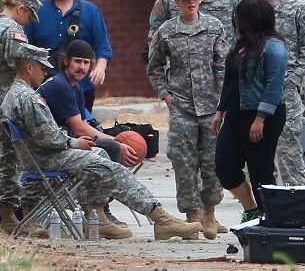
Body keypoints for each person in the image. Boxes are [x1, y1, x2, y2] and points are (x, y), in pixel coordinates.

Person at [1, 42, 203, 240]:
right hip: (46, 158)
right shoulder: (28, 98)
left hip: (36, 158)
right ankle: (160, 218)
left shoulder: (12, 95)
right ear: (29, 68)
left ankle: (96, 218)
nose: (45, 73)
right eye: (42, 68)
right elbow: (49, 138)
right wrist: (75, 143)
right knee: (110, 168)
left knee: (101, 154)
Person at [147, 0, 229, 240]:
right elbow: (155, 66)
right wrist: (165, 95)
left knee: (212, 162)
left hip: (210, 106)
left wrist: (223, 102)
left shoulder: (214, 27)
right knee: (183, 162)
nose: (191, 2)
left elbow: (223, 65)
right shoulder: (167, 31)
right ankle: (191, 215)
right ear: (177, 2)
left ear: (200, 0)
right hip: (181, 106)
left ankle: (209, 212)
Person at [37, 39, 136, 227]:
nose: (82, 67)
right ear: (66, 61)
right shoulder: (60, 85)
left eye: (86, 62)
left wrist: (115, 139)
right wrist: (117, 140)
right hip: (51, 148)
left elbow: (83, 123)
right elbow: (79, 129)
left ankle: (97, 209)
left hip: (65, 142)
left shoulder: (76, 87)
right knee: (112, 148)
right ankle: (98, 211)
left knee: (111, 146)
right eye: (77, 61)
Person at [242, 0, 305, 186]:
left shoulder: (297, 7)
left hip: (286, 92)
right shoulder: (252, 10)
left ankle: (297, 205)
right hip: (256, 92)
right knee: (261, 158)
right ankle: (269, 207)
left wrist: (292, 80)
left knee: (288, 154)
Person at [211, 0, 287, 222]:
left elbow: (274, 86)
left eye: (240, 16)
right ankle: (252, 208)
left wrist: (260, 118)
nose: (237, 21)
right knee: (224, 166)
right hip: (236, 115)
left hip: (263, 117)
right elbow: (231, 82)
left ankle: (271, 219)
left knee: (260, 171)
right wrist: (220, 111)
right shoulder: (241, 45)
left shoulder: (274, 47)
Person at [24, 0, 112, 112]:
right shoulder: (37, 12)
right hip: (44, 88)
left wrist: (100, 68)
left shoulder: (90, 11)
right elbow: (25, 48)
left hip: (81, 87)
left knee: (81, 130)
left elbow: (103, 48)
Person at [0, 0, 48, 237]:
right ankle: (10, 216)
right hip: (6, 103)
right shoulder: (12, 30)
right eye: (28, 15)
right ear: (20, 9)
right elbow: (21, 65)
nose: (28, 22)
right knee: (11, 160)